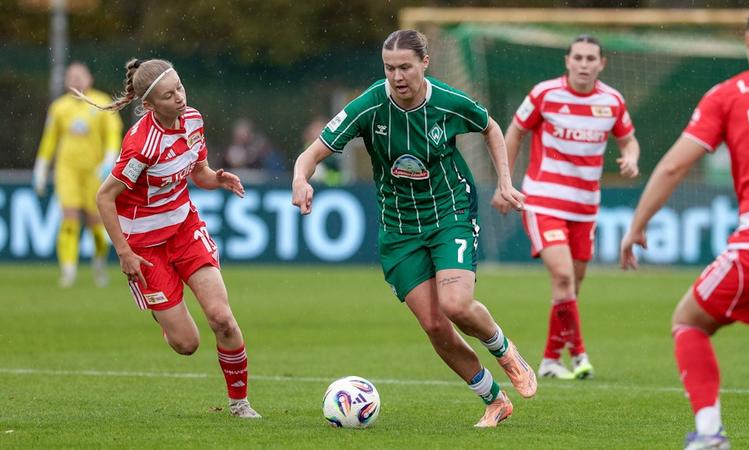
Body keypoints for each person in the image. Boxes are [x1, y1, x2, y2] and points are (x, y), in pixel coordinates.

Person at [292, 29, 537, 428]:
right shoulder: (369, 106)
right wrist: (301, 179)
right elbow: (311, 153)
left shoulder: (448, 102)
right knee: (435, 325)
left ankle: (504, 349)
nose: (397, 76)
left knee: (456, 304)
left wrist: (505, 182)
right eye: (389, 68)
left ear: (425, 63)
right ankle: (494, 400)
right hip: (399, 228)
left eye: (405, 66)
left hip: (449, 212)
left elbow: (491, 127)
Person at [620, 1, 749, 448]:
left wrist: (637, 225)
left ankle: (709, 434)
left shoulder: (728, 94)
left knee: (689, 322)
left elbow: (672, 169)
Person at [77, 58, 261, 418]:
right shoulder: (141, 145)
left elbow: (199, 172)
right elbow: (104, 197)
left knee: (222, 318)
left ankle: (240, 403)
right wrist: (123, 253)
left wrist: (217, 179)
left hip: (184, 230)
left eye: (179, 88)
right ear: (149, 105)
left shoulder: (193, 119)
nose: (179, 98)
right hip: (145, 247)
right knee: (187, 344)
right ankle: (163, 314)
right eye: (168, 94)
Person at [492, 35, 640, 380]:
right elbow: (513, 132)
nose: (584, 64)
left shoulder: (612, 101)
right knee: (562, 276)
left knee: (569, 289)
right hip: (544, 198)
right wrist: (505, 182)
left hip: (585, 207)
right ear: (567, 61)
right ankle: (580, 355)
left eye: (591, 58)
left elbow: (628, 138)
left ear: (601, 63)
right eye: (579, 57)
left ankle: (549, 361)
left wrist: (631, 157)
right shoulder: (545, 94)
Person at [33, 62, 123, 288]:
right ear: (65, 81)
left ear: (89, 79)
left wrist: (108, 161)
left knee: (96, 223)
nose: (76, 80)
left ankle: (99, 262)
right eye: (71, 76)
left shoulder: (102, 103)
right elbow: (49, 139)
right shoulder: (59, 108)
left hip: (94, 172)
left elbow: (113, 135)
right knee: (69, 218)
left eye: (80, 76)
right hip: (67, 170)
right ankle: (68, 269)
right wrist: (41, 168)